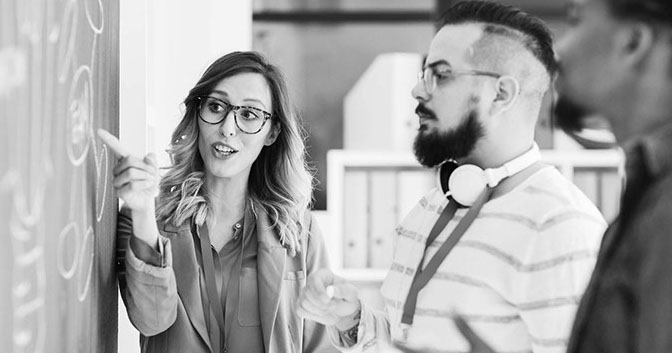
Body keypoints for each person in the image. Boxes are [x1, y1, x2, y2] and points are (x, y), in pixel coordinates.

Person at [296, 2, 607, 353]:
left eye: (441, 75)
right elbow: (408, 338)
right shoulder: (431, 206)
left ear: (501, 94)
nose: (418, 91)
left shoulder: (560, 226)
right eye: (423, 73)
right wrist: (353, 320)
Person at [103, 51, 335, 353]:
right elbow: (152, 320)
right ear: (197, 114)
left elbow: (322, 345)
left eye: (249, 114)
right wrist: (144, 214)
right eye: (216, 107)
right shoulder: (146, 219)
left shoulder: (299, 230)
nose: (227, 127)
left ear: (272, 132)